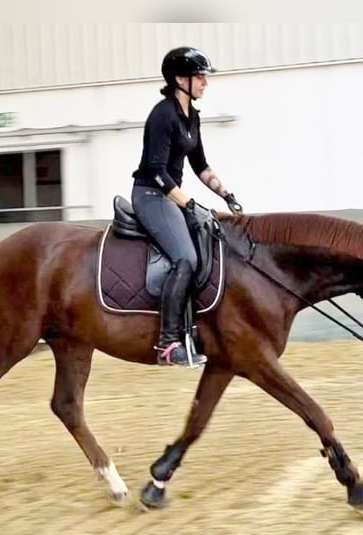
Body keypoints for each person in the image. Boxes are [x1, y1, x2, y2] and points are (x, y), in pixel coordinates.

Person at [131, 46, 244, 367]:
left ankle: (194, 329)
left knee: (209, 243)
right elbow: (156, 169)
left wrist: (226, 194)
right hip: (152, 196)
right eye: (200, 77)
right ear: (181, 79)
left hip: (171, 196)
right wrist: (189, 203)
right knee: (185, 257)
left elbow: (201, 166)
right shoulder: (163, 114)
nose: (206, 83)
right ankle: (168, 343)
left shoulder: (191, 116)